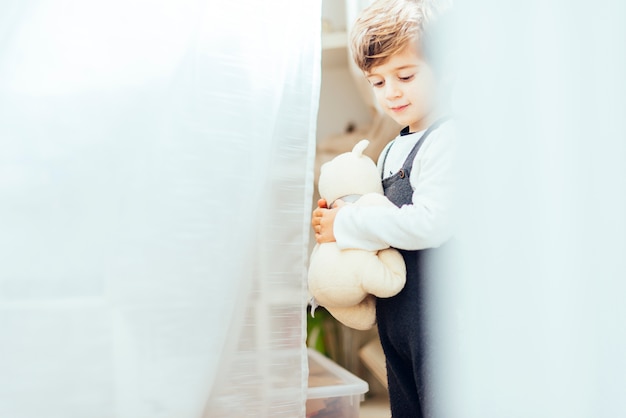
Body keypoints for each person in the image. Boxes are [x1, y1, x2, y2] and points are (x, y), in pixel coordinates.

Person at [311, 0, 456, 416]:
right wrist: (341, 210)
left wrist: (349, 224)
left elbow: (430, 224)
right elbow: (376, 215)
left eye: (405, 76)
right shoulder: (391, 149)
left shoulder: (447, 140)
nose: (391, 92)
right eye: (377, 82)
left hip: (438, 316)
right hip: (396, 318)